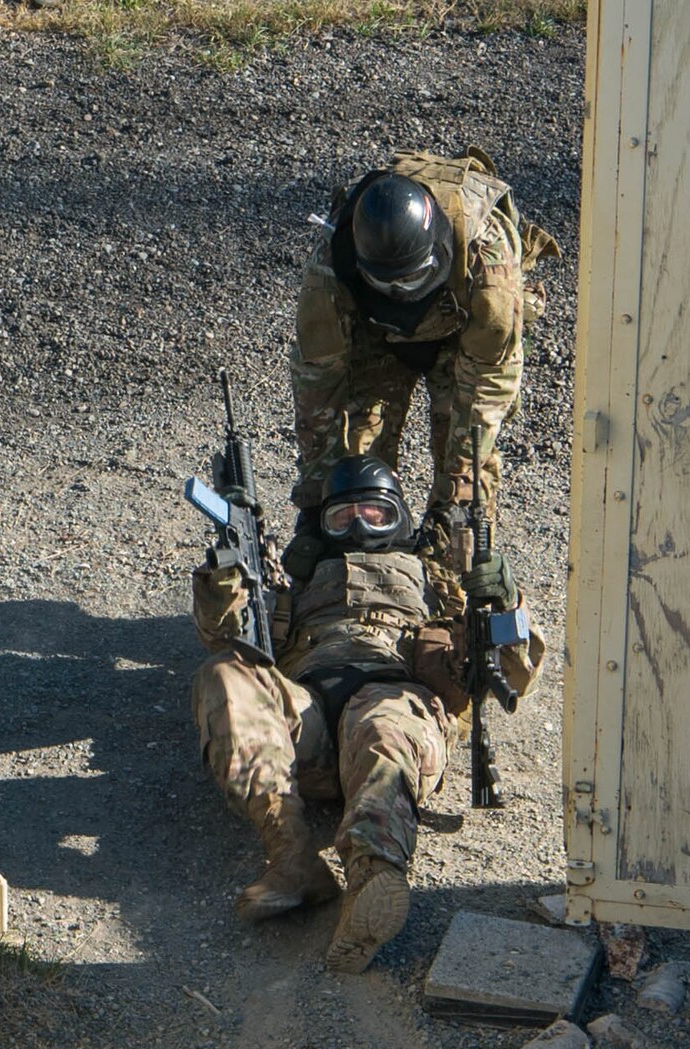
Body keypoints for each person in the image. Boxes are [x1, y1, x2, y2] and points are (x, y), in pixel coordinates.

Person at [190, 455, 543, 971]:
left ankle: (374, 873)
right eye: (343, 516)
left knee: (381, 727)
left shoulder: (437, 581)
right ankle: (290, 856)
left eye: (374, 513)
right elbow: (222, 632)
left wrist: (504, 599)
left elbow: (515, 670)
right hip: (302, 718)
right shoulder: (294, 583)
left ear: (399, 516)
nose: (358, 525)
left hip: (395, 695)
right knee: (223, 673)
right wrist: (226, 566)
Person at [287, 149, 557, 613]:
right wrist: (316, 506)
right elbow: (318, 389)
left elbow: (485, 396)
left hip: (462, 332)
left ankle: (451, 611)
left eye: (409, 279)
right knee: (352, 479)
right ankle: (353, 600)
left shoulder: (488, 270)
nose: (400, 292)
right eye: (388, 282)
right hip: (373, 332)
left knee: (463, 509)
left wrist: (455, 494)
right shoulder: (332, 266)